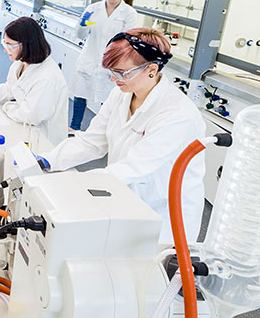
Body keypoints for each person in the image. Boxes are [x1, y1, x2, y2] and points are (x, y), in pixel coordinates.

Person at [37, 28, 205, 244]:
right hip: (123, 195)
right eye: (111, 71)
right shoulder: (121, 94)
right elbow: (92, 142)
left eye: (121, 72)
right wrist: (47, 160)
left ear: (152, 70)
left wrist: (72, 186)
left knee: (151, 273)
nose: (112, 79)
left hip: (163, 216)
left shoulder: (178, 115)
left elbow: (134, 167)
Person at [0, 16, 69, 145]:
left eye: (10, 45)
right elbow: (11, 89)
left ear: (26, 45)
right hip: (23, 130)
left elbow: (29, 116)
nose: (5, 50)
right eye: (5, 44)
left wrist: (8, 106)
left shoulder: (47, 77)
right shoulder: (22, 62)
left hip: (43, 140)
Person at [70, 0, 138, 130]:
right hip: (89, 58)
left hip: (112, 62)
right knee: (80, 94)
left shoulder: (128, 13)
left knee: (108, 100)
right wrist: (82, 24)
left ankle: (101, 131)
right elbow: (81, 35)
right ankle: (74, 128)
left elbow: (127, 40)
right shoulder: (93, 9)